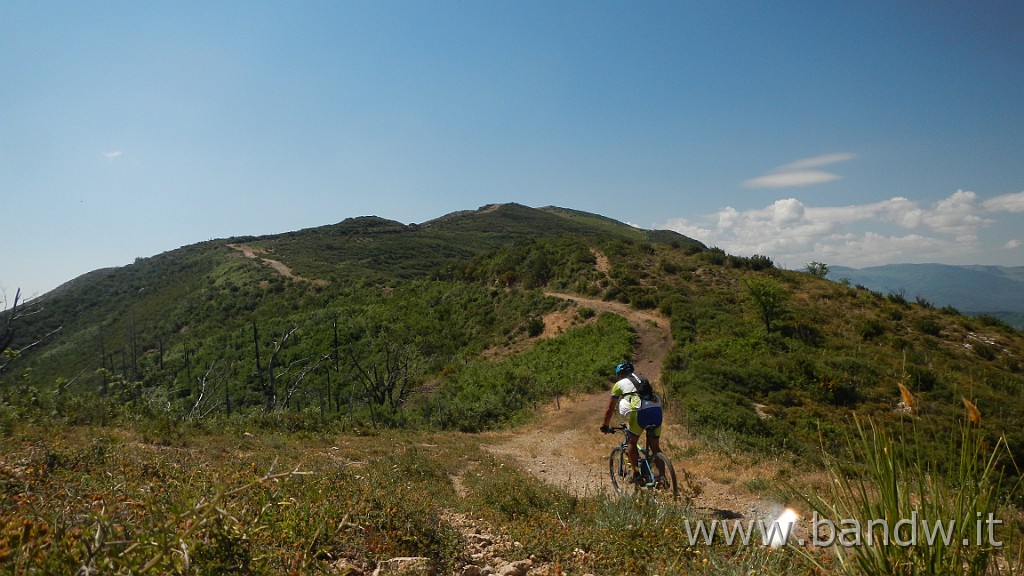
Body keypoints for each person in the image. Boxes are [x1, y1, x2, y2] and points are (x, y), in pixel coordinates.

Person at [600, 361, 666, 485]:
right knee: (655, 447)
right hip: (657, 409)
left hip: (640, 411)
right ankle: (663, 477)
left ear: (619, 375)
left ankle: (636, 473)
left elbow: (610, 408)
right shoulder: (641, 379)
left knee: (632, 442)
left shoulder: (619, 384)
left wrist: (605, 425)